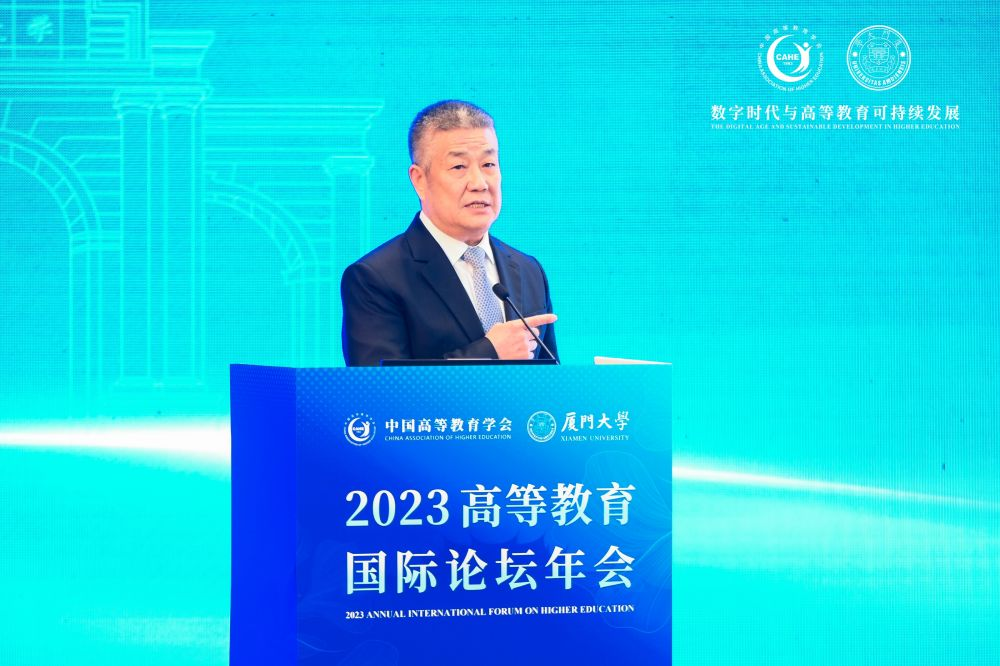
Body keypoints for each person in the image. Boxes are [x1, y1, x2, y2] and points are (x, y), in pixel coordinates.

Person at [341, 100, 558, 366]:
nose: (479, 183)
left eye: (489, 164)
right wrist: (490, 352)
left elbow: (550, 379)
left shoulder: (528, 269)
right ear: (419, 180)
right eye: (459, 167)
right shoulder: (375, 278)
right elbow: (380, 387)